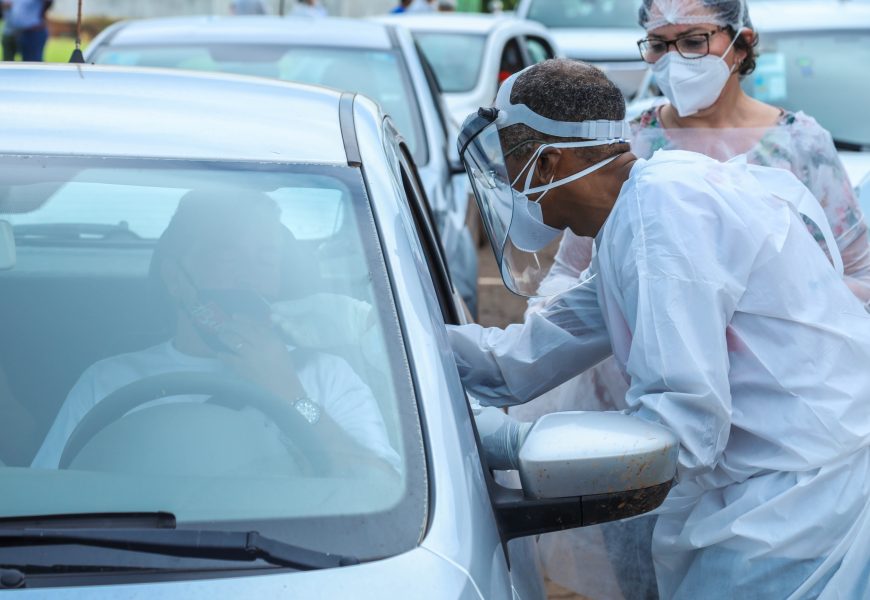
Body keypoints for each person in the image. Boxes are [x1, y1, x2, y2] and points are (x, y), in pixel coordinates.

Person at [450, 58, 870, 598]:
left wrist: (517, 444)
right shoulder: (640, 209)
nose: (509, 189)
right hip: (771, 492)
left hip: (796, 502)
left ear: (549, 161)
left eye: (510, 169)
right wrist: (409, 346)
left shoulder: (663, 214)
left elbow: (685, 429)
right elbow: (529, 355)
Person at [31, 189, 400, 474]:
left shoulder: (327, 375)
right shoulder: (109, 381)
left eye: (265, 259)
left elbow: (380, 486)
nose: (248, 275)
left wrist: (290, 393)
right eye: (227, 256)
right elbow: (48, 497)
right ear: (176, 279)